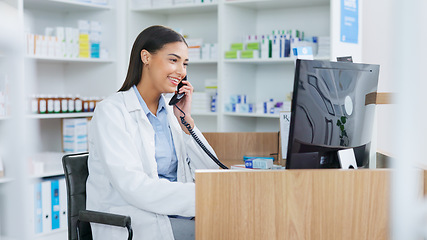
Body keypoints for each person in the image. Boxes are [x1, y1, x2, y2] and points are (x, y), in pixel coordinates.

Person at [86, 25, 219, 240]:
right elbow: (134, 186)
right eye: (173, 60)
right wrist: (204, 197)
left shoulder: (172, 114)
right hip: (136, 222)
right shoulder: (111, 111)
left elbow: (212, 172)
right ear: (146, 57)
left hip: (176, 215)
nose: (181, 71)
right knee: (229, 231)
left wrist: (188, 125)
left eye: (185, 64)